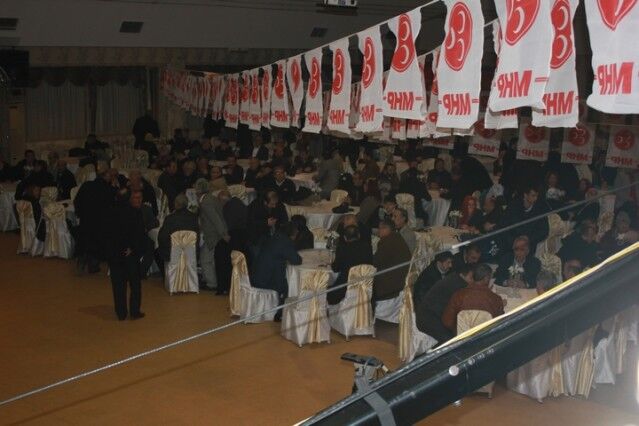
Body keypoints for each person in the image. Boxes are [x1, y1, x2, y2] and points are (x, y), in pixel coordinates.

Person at [106, 190, 148, 320]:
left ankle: (121, 313)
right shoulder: (135, 213)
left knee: (118, 285)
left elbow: (106, 234)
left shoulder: (110, 212)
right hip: (129, 255)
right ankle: (134, 311)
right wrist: (133, 249)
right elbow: (139, 234)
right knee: (135, 284)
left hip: (115, 254)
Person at [250, 222, 303, 313]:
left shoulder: (275, 237)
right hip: (267, 280)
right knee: (290, 285)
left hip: (257, 275)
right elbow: (297, 260)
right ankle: (280, 312)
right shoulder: (285, 242)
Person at [415, 264, 473, 344]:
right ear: (463, 275)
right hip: (429, 319)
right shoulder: (458, 286)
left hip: (426, 315)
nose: (472, 281)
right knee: (452, 341)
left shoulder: (454, 278)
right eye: (471, 278)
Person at [74, 164, 117, 273]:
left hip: (86, 221)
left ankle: (81, 262)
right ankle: (93, 265)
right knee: (97, 245)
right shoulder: (108, 189)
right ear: (106, 176)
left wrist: (80, 214)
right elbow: (113, 205)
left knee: (84, 242)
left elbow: (77, 201)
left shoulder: (86, 185)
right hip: (100, 223)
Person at [442, 264, 504, 333]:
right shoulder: (496, 299)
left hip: (463, 337)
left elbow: (447, 322)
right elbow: (500, 323)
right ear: (486, 278)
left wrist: (460, 329)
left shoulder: (458, 295)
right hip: (486, 337)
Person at [197, 179, 230, 291]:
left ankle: (212, 283)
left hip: (214, 235)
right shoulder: (211, 198)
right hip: (215, 233)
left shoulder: (205, 202)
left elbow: (215, 219)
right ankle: (211, 281)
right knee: (209, 259)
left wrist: (223, 233)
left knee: (205, 259)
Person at [329, 224, 374, 305]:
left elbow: (335, 268)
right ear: (359, 235)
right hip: (366, 286)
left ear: (345, 238)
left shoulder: (342, 249)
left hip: (346, 286)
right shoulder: (367, 247)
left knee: (327, 292)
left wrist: (331, 263)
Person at [498, 185, 549, 253]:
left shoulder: (540, 209)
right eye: (533, 195)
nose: (535, 198)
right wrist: (513, 241)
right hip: (510, 244)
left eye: (537, 196)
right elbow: (503, 225)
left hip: (528, 245)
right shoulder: (513, 206)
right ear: (525, 195)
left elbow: (544, 231)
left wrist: (528, 238)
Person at [372, 219, 412, 305]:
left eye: (380, 228)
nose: (379, 231)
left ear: (387, 229)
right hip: (400, 280)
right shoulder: (397, 237)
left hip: (390, 286)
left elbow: (375, 262)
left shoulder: (387, 241)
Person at [157, 194, 199, 263]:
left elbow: (162, 237)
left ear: (175, 204)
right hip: (190, 253)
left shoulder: (170, 219)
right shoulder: (194, 218)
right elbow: (197, 237)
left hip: (173, 254)